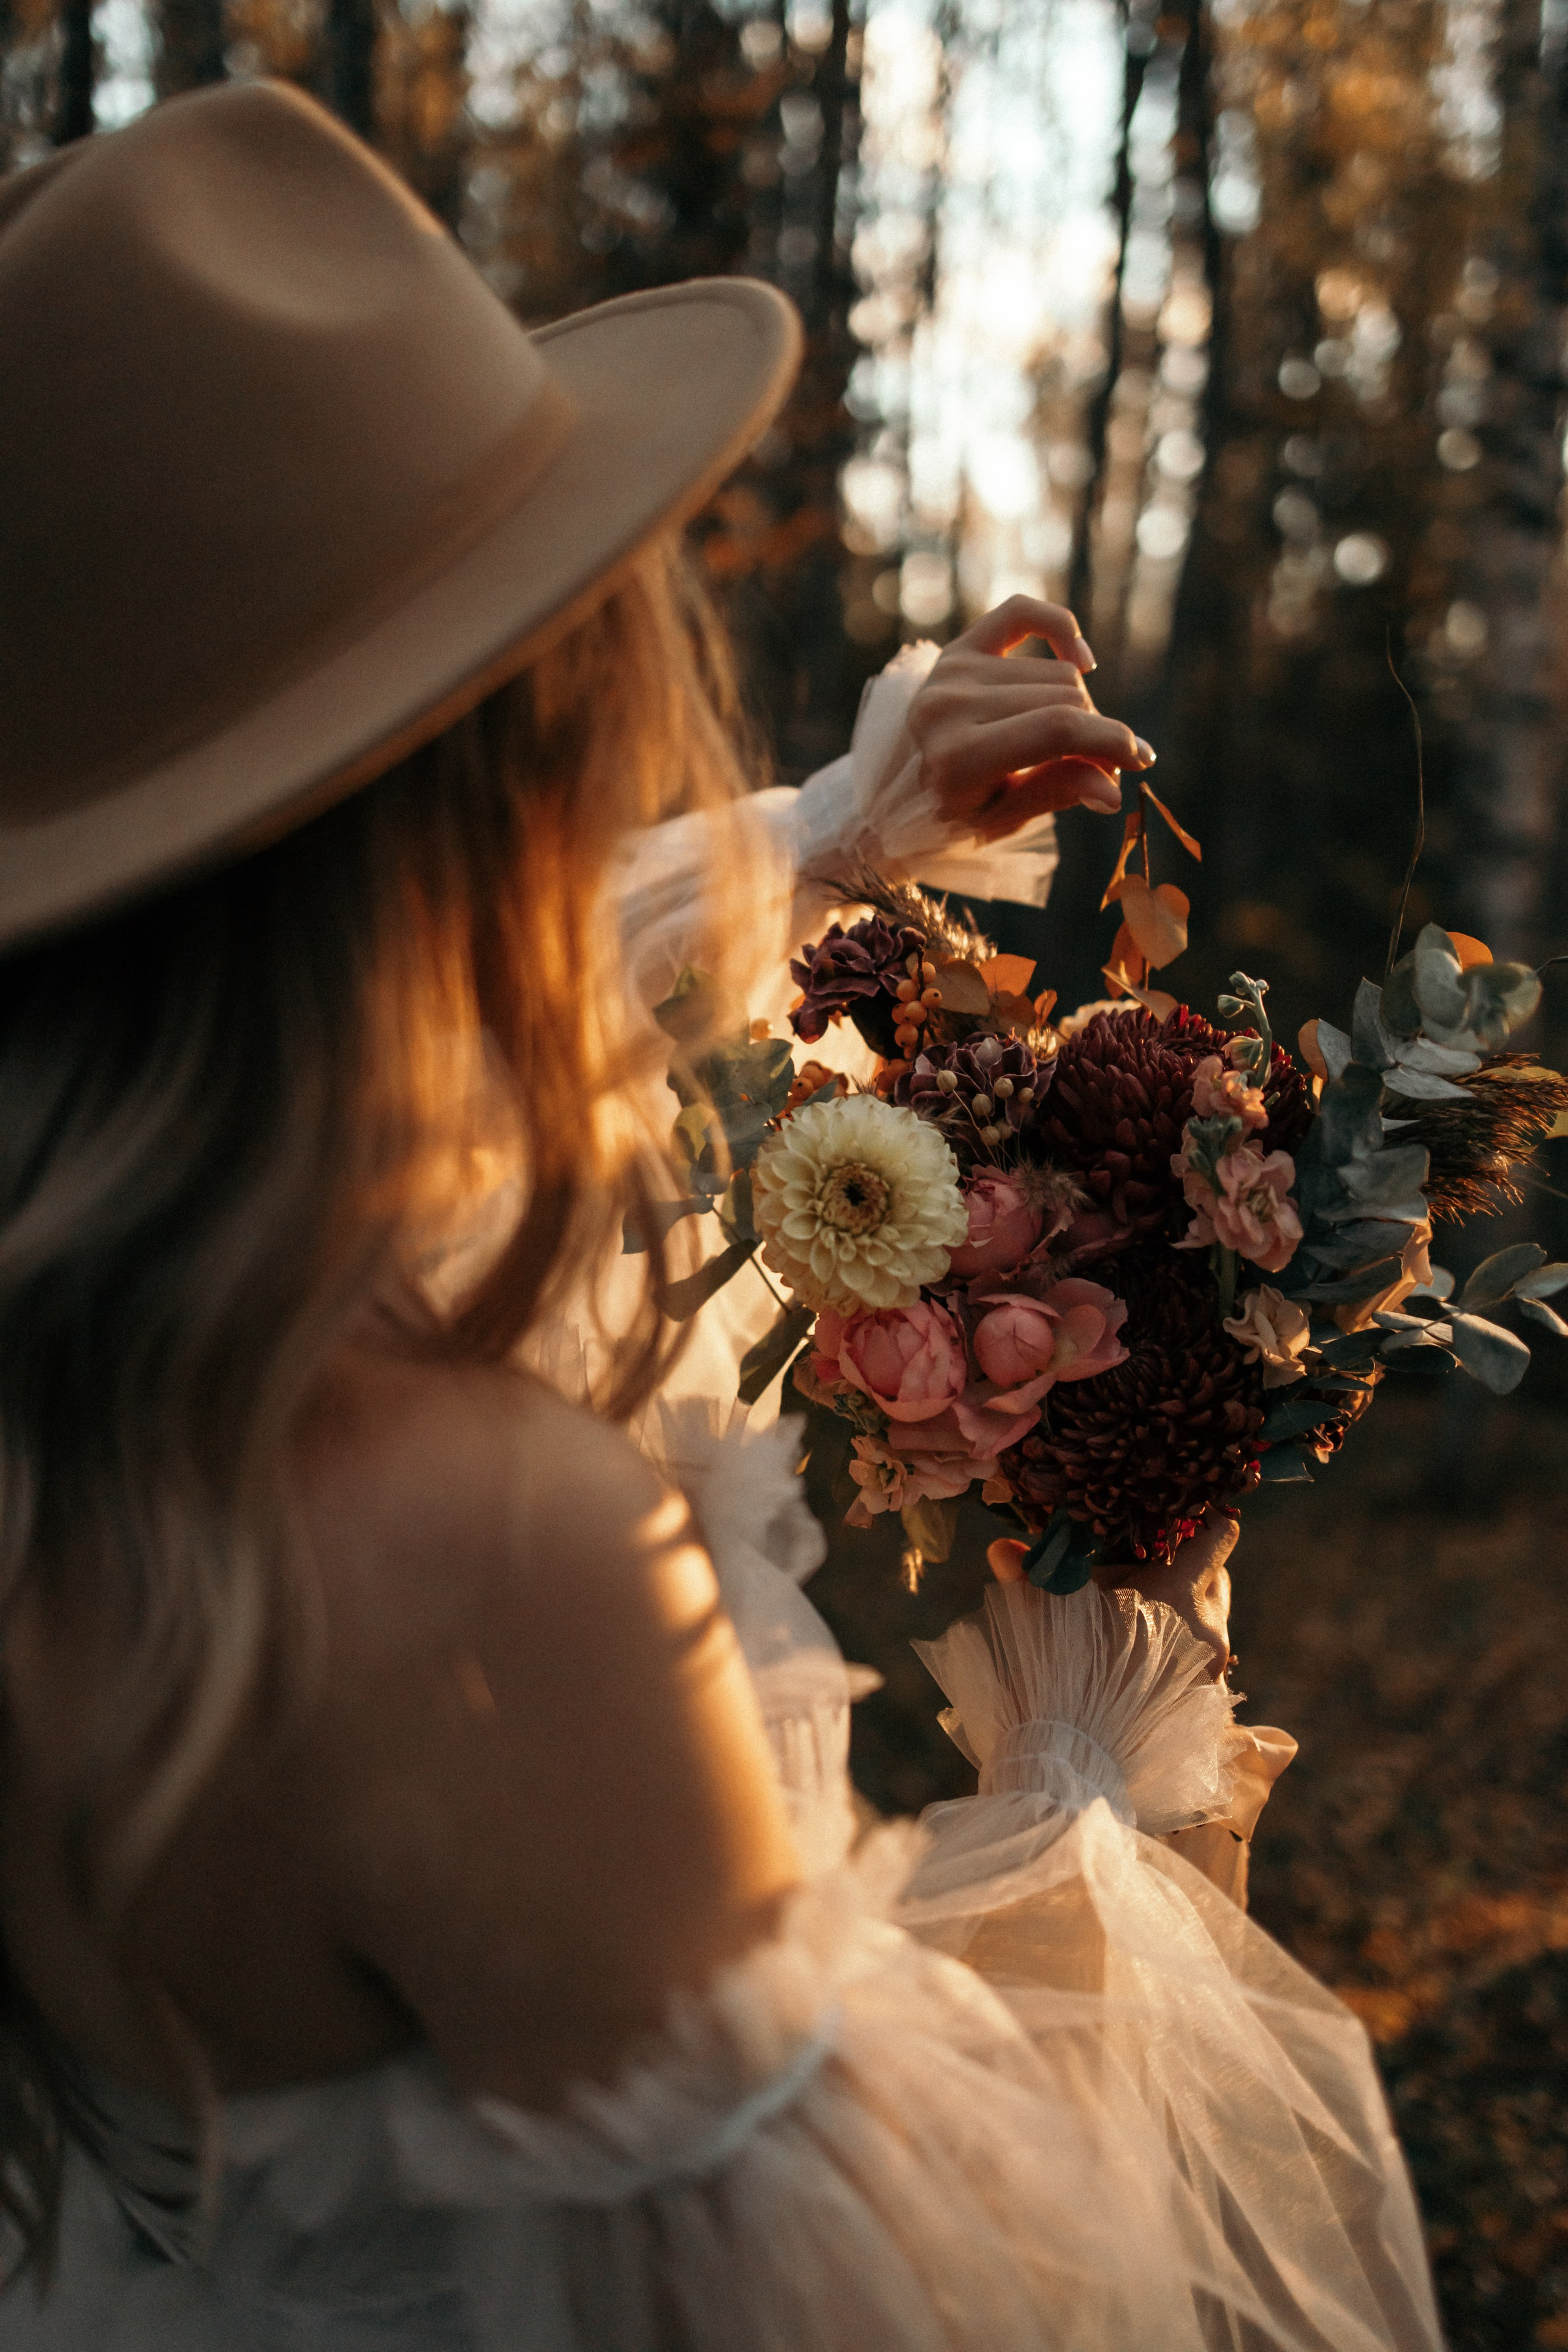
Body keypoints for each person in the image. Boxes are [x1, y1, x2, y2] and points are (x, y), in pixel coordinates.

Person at [0, 81, 1443, 2351]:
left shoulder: (89, 1445)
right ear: (501, 756)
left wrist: (848, 824)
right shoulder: (477, 1553)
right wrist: (1118, 1750)